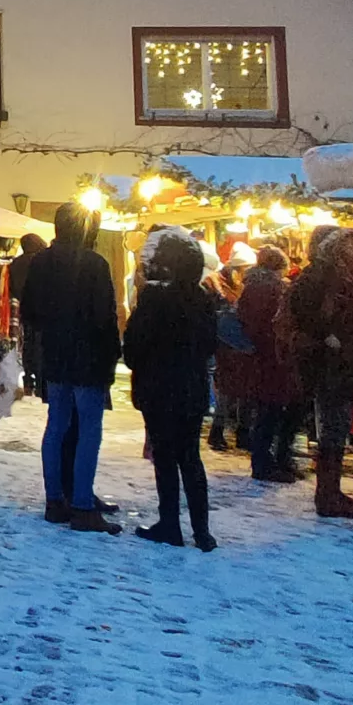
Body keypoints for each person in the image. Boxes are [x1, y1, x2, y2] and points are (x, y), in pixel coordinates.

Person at [15, 201, 121, 532]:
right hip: (88, 358)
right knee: (89, 429)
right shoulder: (94, 263)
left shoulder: (41, 262)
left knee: (56, 426)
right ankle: (82, 504)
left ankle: (55, 499)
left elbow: (28, 311)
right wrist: (110, 357)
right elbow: (105, 317)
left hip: (55, 355)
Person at [122, 231, 220, 549]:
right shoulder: (203, 299)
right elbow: (209, 345)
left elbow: (134, 348)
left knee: (165, 458)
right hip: (192, 387)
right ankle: (202, 531)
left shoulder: (154, 299)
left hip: (159, 388)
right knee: (191, 457)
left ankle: (170, 524)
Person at [282, 225, 353, 521]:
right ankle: (327, 495)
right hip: (328, 364)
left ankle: (331, 491)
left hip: (343, 362)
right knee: (332, 427)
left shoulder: (345, 276)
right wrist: (327, 336)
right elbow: (304, 311)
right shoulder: (320, 276)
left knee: (337, 427)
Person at [234, 244, 301, 482]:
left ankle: (265, 460)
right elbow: (272, 323)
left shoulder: (253, 285)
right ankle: (263, 463)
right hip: (272, 357)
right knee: (270, 411)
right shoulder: (272, 288)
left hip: (261, 356)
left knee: (267, 410)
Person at [207, 253, 252, 454]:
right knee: (229, 391)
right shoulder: (218, 285)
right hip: (230, 346)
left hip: (234, 345)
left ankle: (231, 432)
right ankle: (220, 432)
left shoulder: (232, 285)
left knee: (237, 391)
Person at [7, 231, 48, 399]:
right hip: (43, 309)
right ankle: (40, 380)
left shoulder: (15, 264)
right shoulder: (43, 261)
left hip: (25, 309)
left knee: (28, 344)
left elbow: (12, 289)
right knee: (41, 345)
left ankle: (28, 378)